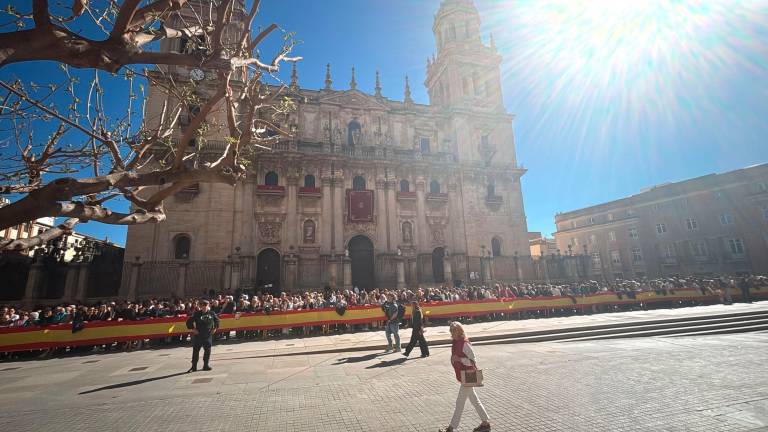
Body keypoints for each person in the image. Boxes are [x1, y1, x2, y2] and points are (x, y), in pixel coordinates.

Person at [439, 322, 490, 432]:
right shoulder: (456, 342)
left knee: (460, 403)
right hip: (463, 376)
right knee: (475, 400)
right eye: (450, 330)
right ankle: (485, 423)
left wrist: (459, 359)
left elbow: (473, 361)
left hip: (468, 376)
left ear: (459, 331)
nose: (451, 333)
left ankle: (451, 428)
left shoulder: (464, 343)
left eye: (453, 330)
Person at [186, 299, 220, 372]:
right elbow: (189, 322)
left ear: (208, 306)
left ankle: (206, 365)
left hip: (207, 335)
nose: (204, 307)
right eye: (203, 306)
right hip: (198, 335)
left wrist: (215, 328)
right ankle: (193, 366)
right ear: (201, 306)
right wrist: (193, 329)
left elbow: (217, 321)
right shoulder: (197, 314)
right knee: (195, 351)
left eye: (206, 305)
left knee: (207, 351)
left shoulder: (212, 313)